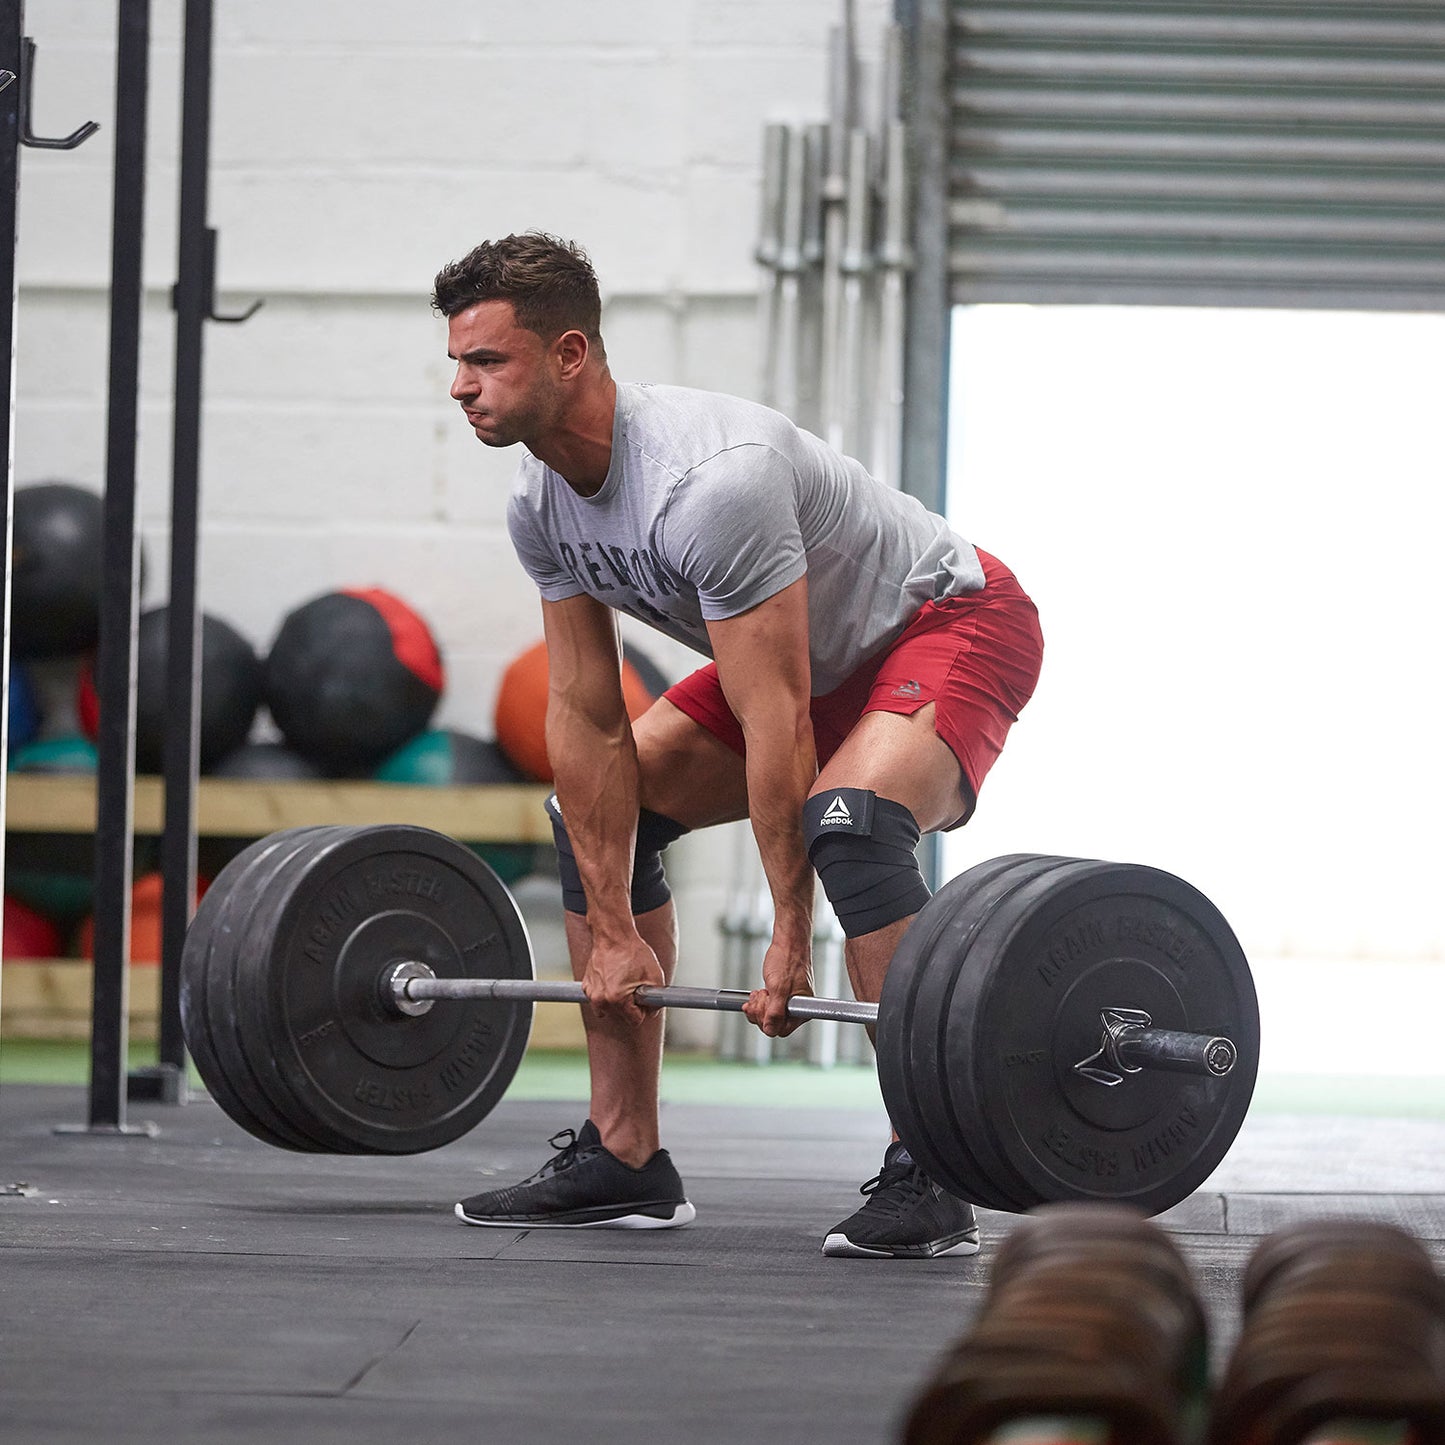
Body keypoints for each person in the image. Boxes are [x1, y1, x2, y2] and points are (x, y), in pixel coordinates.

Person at [432, 232, 1043, 1258]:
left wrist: (788, 932)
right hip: (805, 660)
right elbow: (587, 715)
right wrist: (614, 923)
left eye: (485, 360)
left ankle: (931, 1168)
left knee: (850, 821)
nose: (459, 386)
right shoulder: (539, 503)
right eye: (456, 361)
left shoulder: (710, 481)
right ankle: (624, 1157)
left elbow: (778, 718)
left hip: (944, 622)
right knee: (591, 818)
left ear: (570, 354)